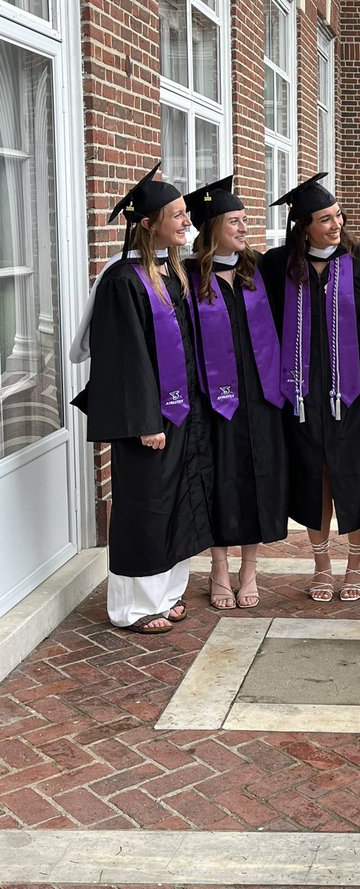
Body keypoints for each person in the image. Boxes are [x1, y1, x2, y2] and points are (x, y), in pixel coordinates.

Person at [71, 163, 213, 633]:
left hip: (181, 413)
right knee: (146, 504)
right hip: (150, 420)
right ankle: (134, 606)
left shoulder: (170, 272)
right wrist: (146, 419)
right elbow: (123, 360)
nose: (186, 223)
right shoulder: (123, 281)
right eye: (177, 215)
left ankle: (168, 592)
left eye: (186, 214)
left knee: (177, 500)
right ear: (149, 223)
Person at [260, 173, 360, 603]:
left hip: (354, 394)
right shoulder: (279, 266)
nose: (336, 225)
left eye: (337, 216)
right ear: (304, 227)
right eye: (324, 219)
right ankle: (321, 565)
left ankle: (356, 561)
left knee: (349, 475)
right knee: (314, 478)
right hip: (300, 396)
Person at [183, 177, 287, 610]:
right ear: (212, 229)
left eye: (246, 221)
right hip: (213, 399)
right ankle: (220, 568)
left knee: (258, 476)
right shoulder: (187, 276)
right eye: (235, 222)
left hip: (261, 395)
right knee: (220, 477)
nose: (245, 229)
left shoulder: (257, 270)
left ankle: (249, 568)